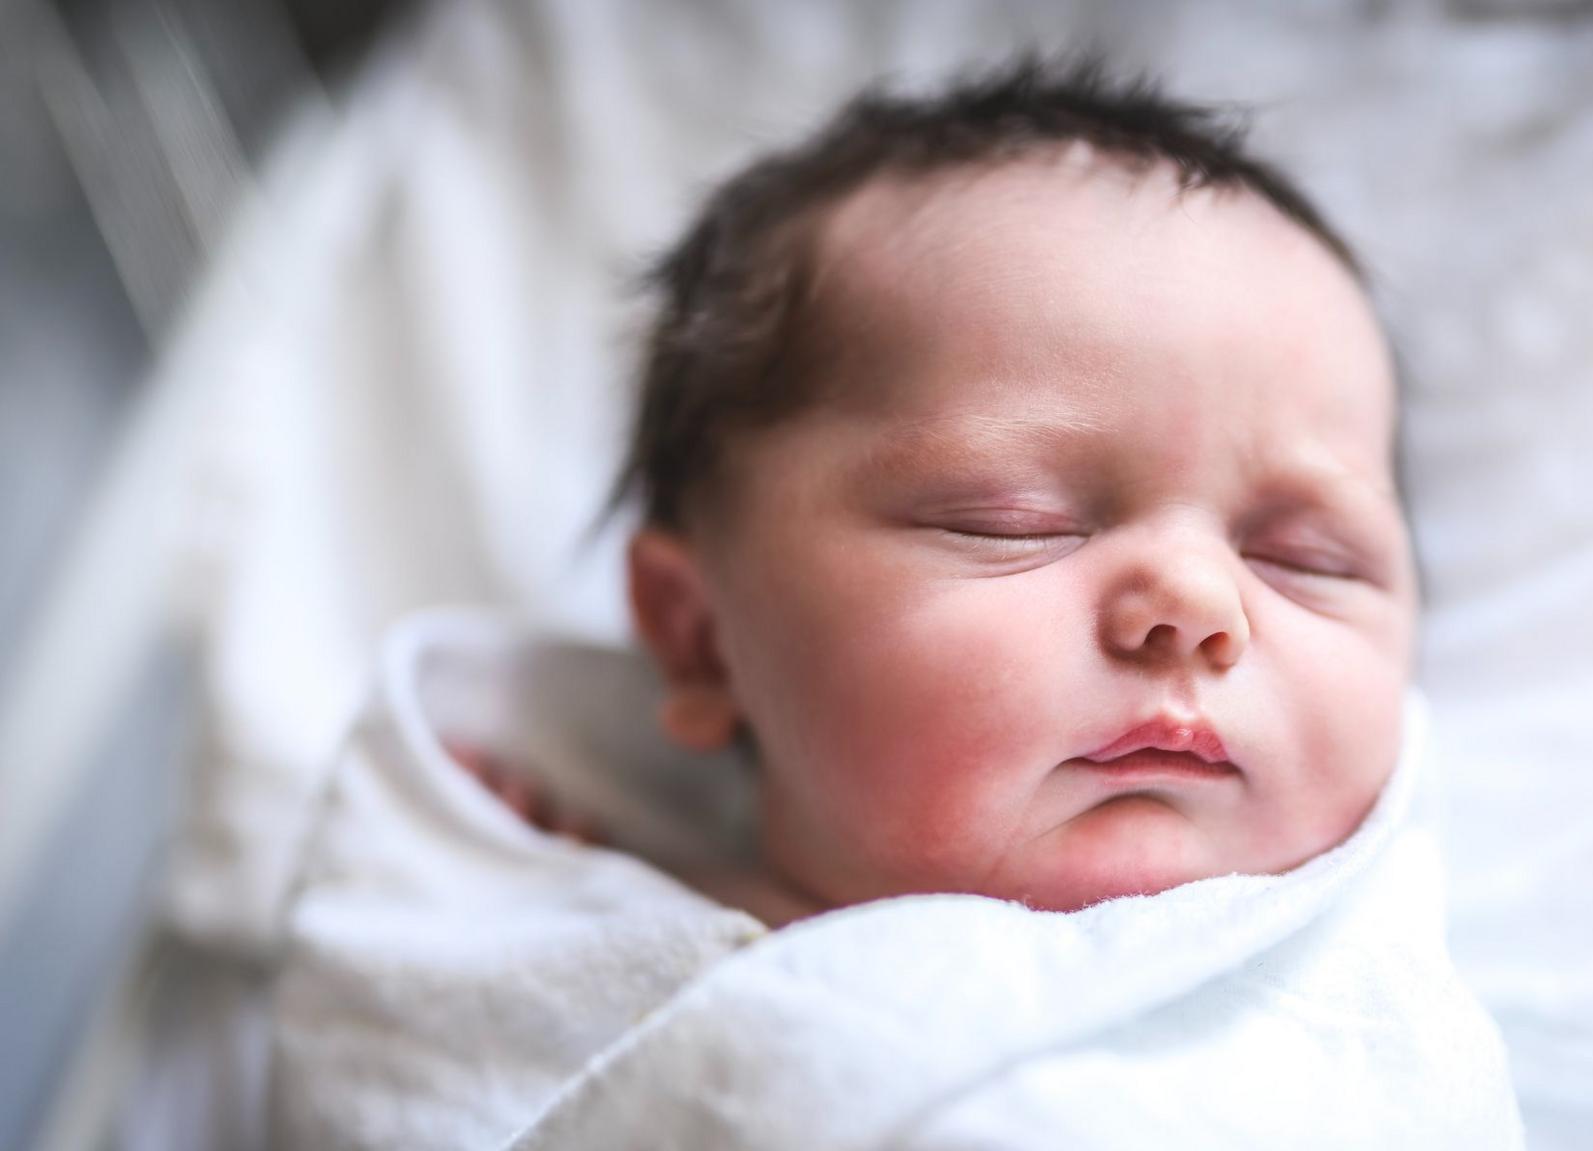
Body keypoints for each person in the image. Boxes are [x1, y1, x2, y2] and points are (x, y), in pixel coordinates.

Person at [270, 57, 1518, 1148]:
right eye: (1009, 523)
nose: (1196, 605)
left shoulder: (1347, 1032)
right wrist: (547, 912)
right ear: (704, 637)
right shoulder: (582, 937)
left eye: (1305, 556)